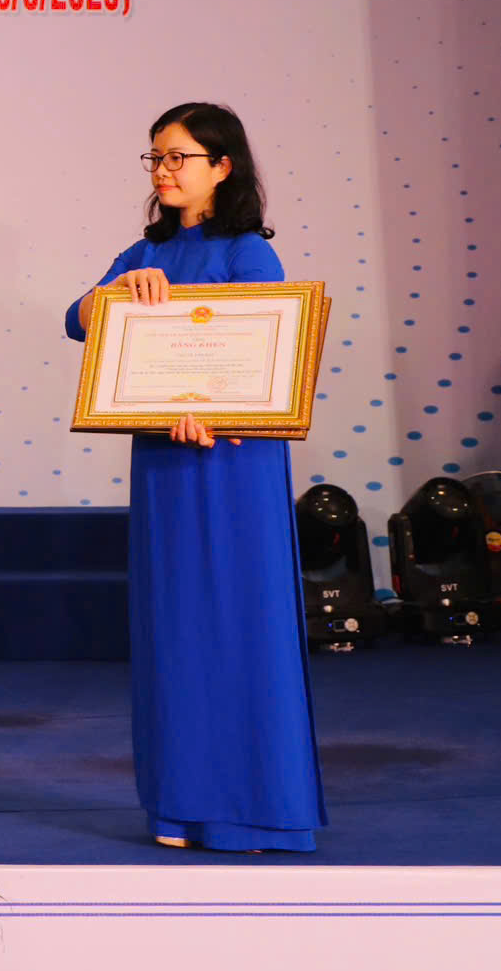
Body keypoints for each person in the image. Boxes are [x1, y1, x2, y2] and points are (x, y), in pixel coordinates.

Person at [64, 102, 325, 852]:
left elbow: (269, 358)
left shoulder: (249, 253)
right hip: (166, 463)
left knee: (242, 626)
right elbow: (78, 320)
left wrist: (218, 411)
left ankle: (257, 810)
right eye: (156, 157)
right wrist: (115, 293)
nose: (164, 170)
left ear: (223, 166)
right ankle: (177, 807)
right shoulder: (142, 253)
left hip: (235, 464)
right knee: (174, 632)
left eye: (179, 157)